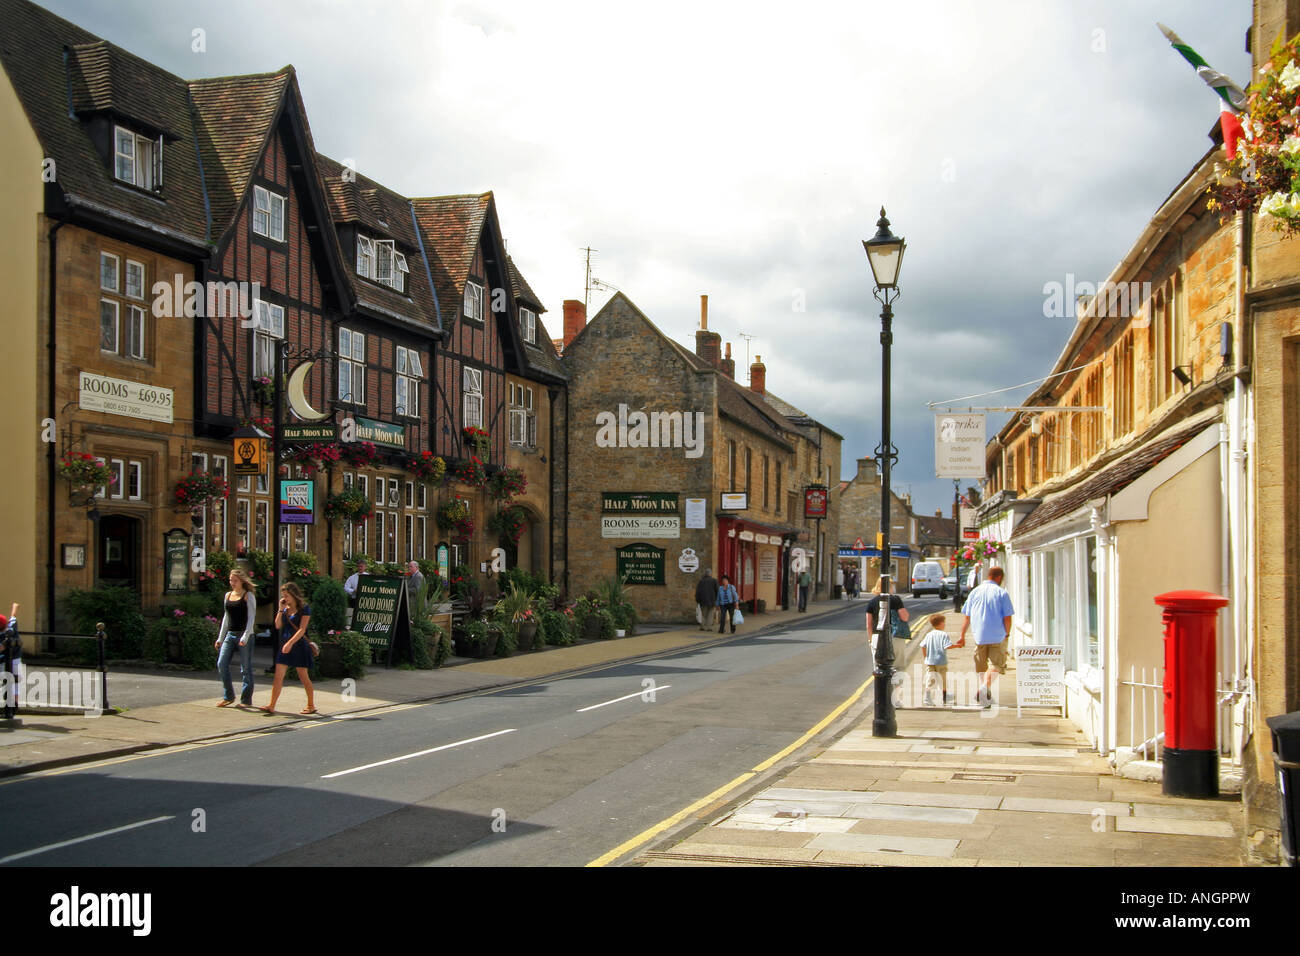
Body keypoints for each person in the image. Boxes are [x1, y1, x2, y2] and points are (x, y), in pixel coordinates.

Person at [260, 583, 318, 716]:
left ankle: (311, 705)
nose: (285, 598)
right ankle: (271, 705)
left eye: (286, 596)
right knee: (278, 676)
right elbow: (277, 625)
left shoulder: (305, 608)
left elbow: (302, 630)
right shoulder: (285, 609)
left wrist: (290, 643)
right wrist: (280, 609)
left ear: (293, 595)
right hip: (286, 644)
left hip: (299, 645)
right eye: (283, 596)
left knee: (303, 676)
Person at [960, 567, 1014, 708]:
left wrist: (962, 636)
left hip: (979, 636)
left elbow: (967, 617)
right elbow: (1007, 618)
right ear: (999, 577)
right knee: (996, 665)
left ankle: (985, 694)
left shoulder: (974, 592)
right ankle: (984, 688)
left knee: (982, 667)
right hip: (998, 635)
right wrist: (1007, 634)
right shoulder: (1001, 593)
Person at [213, 569, 257, 707]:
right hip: (230, 634)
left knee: (245, 668)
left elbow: (251, 618)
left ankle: (246, 700)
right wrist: (220, 638)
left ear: (242, 581)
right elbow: (226, 618)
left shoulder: (248, 596)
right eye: (231, 580)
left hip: (245, 634)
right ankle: (229, 696)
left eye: (235, 581)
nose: (232, 583)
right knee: (221, 663)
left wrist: (245, 636)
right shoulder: (228, 596)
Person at [919, 612, 964, 706]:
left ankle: (927, 697)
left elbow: (922, 646)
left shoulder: (929, 634)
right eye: (944, 622)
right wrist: (958, 646)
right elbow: (947, 646)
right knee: (942, 679)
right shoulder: (943, 634)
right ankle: (944, 697)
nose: (944, 624)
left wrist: (926, 657)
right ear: (940, 623)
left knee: (930, 679)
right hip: (940, 661)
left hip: (930, 661)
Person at [864, 577, 909, 666]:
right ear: (890, 586)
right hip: (895, 637)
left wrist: (870, 640)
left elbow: (869, 625)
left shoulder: (872, 602)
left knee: (879, 668)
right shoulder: (896, 600)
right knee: (899, 668)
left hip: (877, 638)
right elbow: (904, 617)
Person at [0, 603, 21, 719]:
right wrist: (14, 606)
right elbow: (13, 615)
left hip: (5, 660)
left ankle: (10, 704)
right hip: (16, 657)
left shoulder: (2, 635)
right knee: (15, 680)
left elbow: (1, 648)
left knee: (7, 680)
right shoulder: (11, 626)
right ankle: (14, 703)